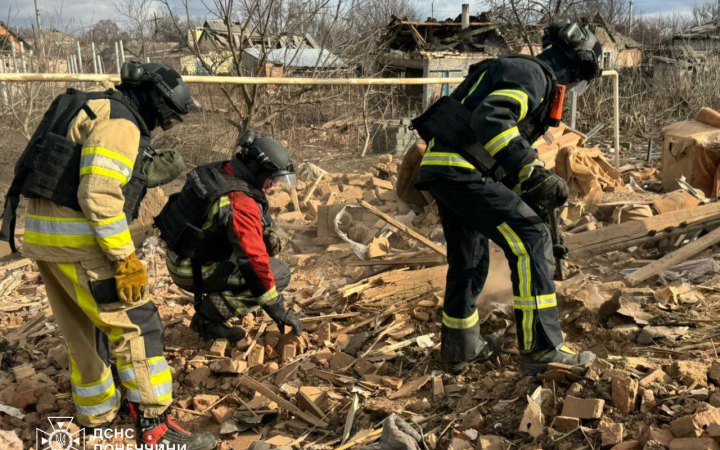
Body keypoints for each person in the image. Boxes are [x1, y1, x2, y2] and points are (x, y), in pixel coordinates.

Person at [0, 62, 217, 449]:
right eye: (166, 115)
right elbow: (98, 194)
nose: (164, 123)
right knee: (137, 324)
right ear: (152, 99)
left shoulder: (92, 105)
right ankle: (156, 427)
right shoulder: (121, 122)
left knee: (82, 329)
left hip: (48, 240)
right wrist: (124, 259)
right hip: (84, 246)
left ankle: (97, 417)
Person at [412, 21, 603, 375]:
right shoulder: (535, 76)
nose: (575, 88)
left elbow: (490, 147)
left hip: (445, 168)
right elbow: (493, 120)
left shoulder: (513, 67)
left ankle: (461, 348)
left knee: (469, 258)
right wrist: (533, 173)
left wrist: (526, 188)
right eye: (580, 80)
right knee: (531, 238)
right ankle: (542, 350)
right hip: (462, 170)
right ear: (574, 68)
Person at [155, 132, 301, 342]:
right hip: (192, 269)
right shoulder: (238, 202)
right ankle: (208, 319)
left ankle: (214, 307)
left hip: (180, 254)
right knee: (277, 274)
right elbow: (254, 263)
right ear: (258, 169)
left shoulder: (218, 170)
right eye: (272, 178)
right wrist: (276, 308)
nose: (274, 185)